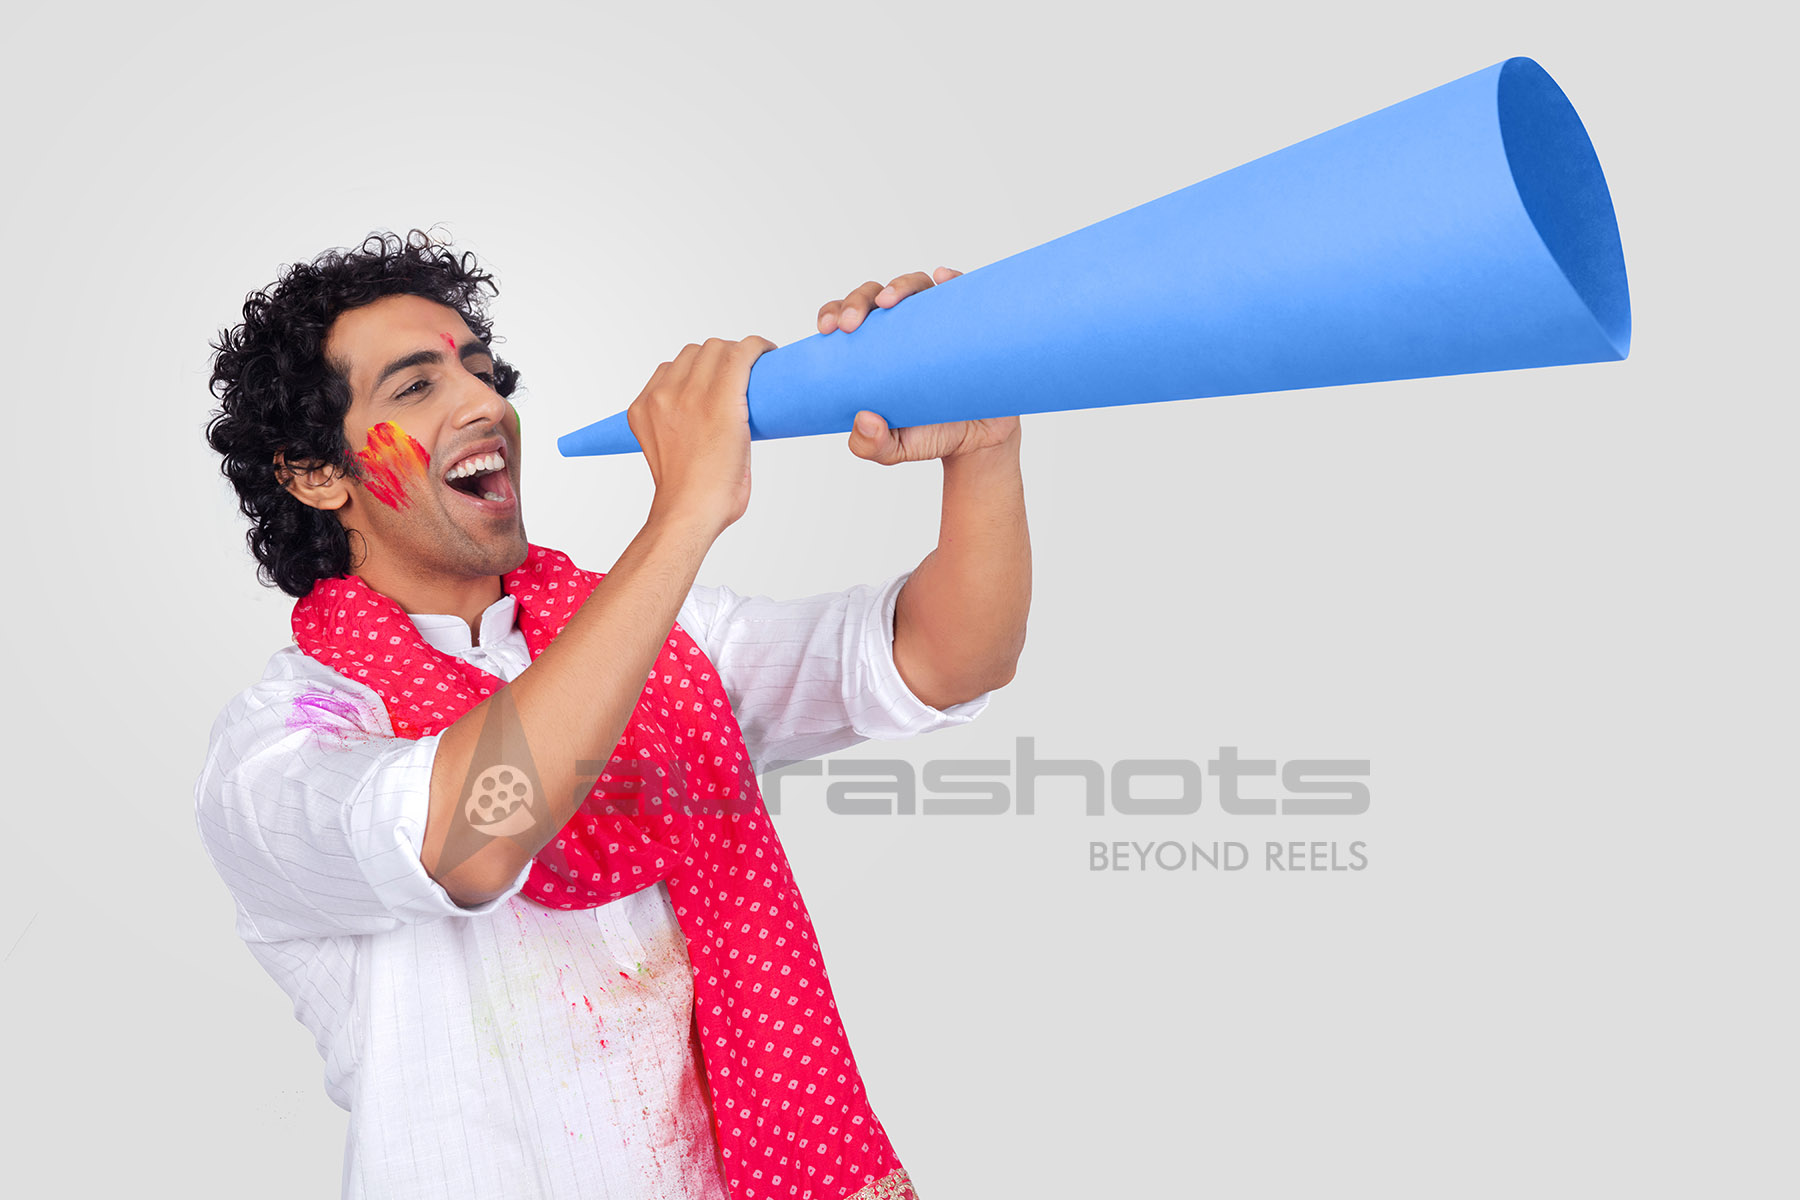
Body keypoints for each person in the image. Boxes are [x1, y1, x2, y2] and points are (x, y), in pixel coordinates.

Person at [194, 230, 1030, 1200]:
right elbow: (472, 832)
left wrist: (985, 451)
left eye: (480, 368)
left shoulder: (658, 649)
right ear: (314, 474)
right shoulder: (281, 746)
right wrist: (684, 513)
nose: (483, 403)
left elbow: (946, 655)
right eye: (417, 387)